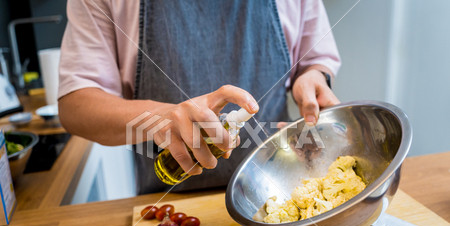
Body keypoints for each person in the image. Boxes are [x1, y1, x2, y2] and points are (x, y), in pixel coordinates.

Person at [58, 0, 341, 194]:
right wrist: (161, 118)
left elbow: (314, 60)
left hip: (280, 192)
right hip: (170, 204)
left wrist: (313, 76)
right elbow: (75, 106)